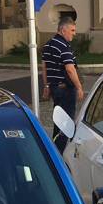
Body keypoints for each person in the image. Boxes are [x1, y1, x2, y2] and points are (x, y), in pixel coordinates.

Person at [42, 19, 84, 151]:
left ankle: (55, 150)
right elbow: (70, 69)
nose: (74, 33)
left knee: (58, 121)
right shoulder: (63, 46)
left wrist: (47, 86)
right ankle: (59, 154)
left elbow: (44, 68)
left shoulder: (48, 45)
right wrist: (79, 87)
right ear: (63, 30)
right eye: (72, 30)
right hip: (65, 90)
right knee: (66, 124)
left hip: (55, 89)